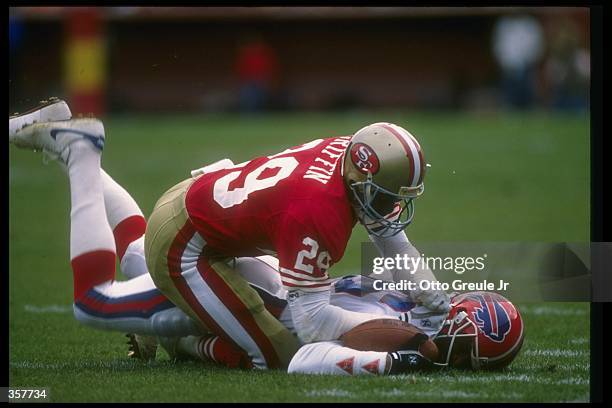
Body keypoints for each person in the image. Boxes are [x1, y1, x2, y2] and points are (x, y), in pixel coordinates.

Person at [8, 99, 524, 374]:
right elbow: (313, 323)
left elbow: (393, 246)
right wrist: (410, 343)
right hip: (190, 242)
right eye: (389, 194)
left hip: (211, 207)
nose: (394, 208)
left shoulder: (350, 159)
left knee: (146, 260)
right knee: (273, 351)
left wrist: (434, 303)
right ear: (363, 177)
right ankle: (80, 154)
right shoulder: (319, 210)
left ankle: (75, 147)